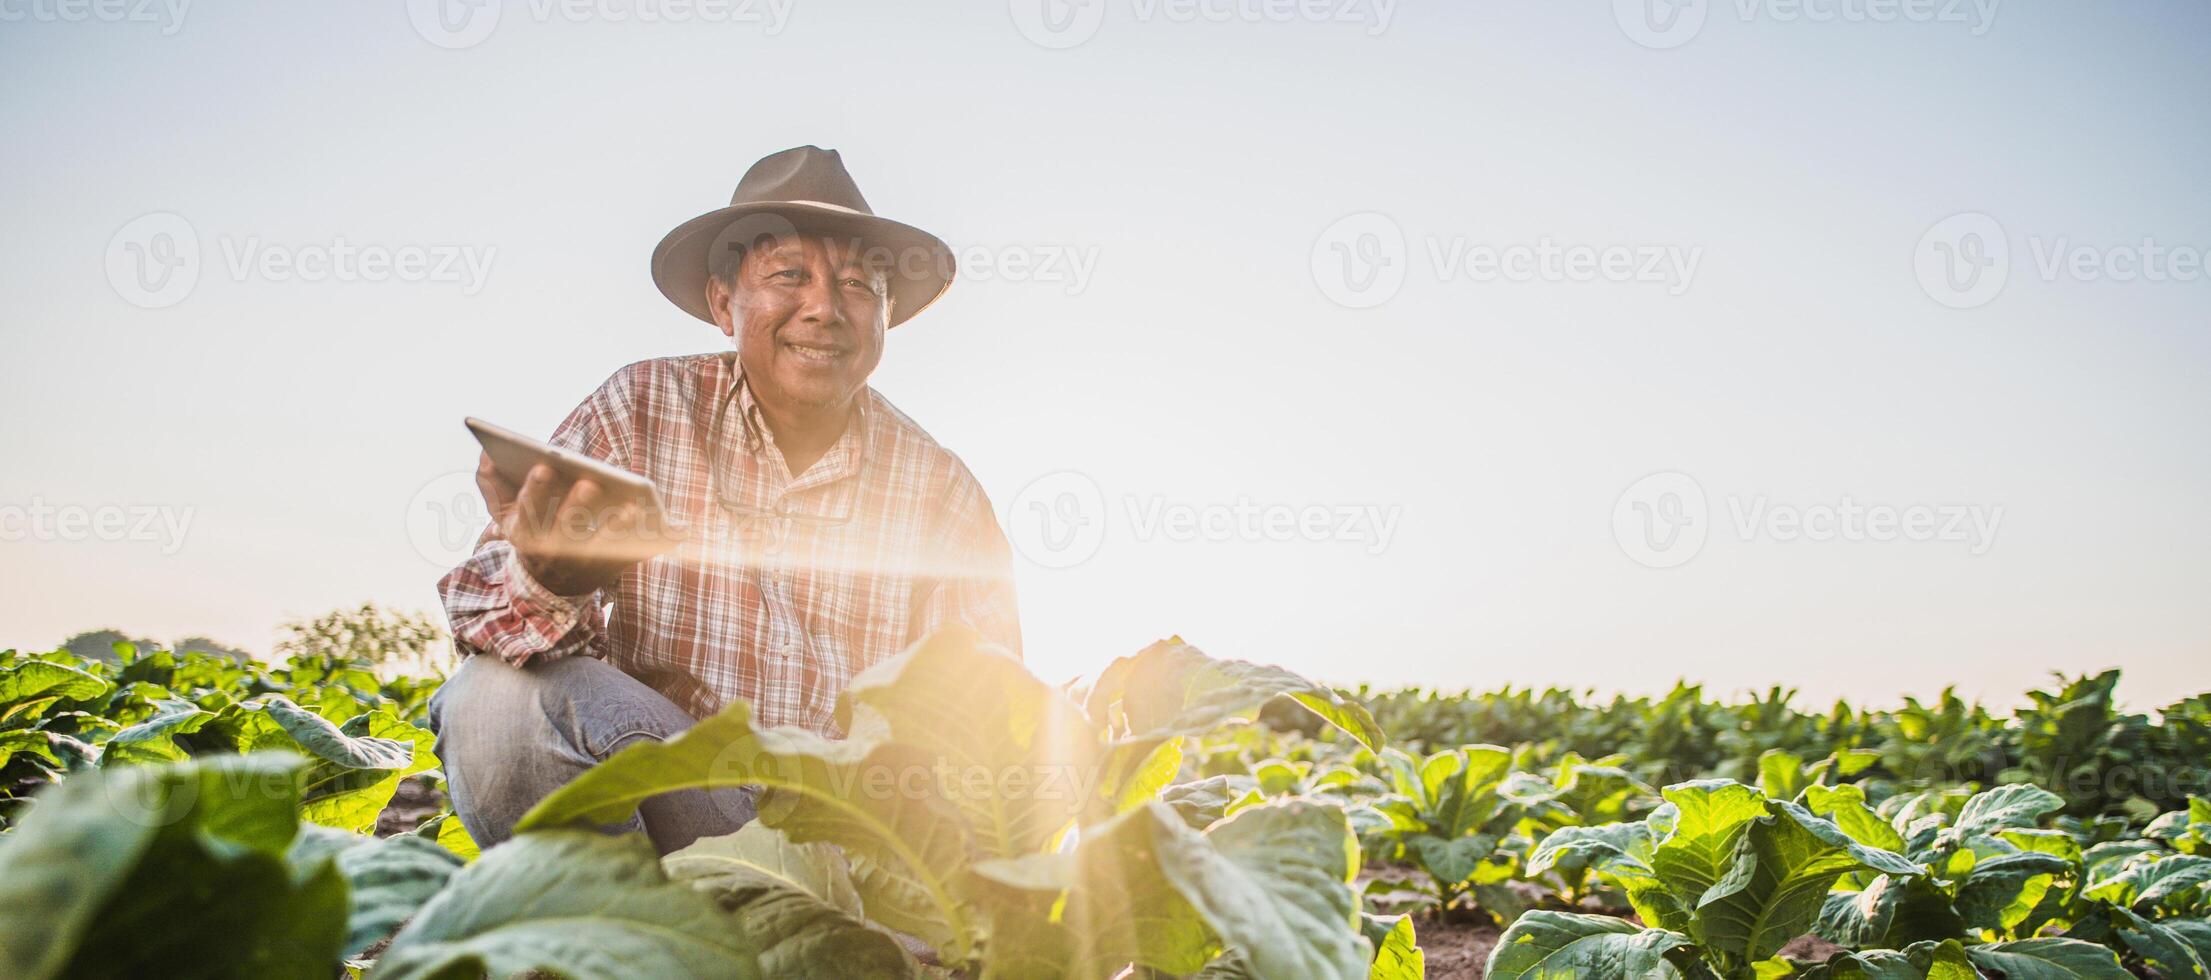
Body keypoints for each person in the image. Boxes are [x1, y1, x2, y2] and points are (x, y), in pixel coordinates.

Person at [426, 146, 1021, 853]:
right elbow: (481, 617)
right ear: (722, 304)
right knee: (492, 705)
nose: (825, 308)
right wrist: (550, 582)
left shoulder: (940, 490)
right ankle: (625, 940)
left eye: (859, 285)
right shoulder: (643, 407)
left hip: (847, 850)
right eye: (788, 276)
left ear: (886, 315)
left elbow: (989, 723)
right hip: (681, 802)